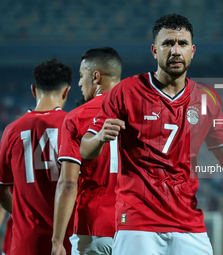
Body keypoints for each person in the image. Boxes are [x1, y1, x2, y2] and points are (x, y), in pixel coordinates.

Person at [80, 14, 223, 255]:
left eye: (182, 44)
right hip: (138, 224)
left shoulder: (207, 99)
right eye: (168, 43)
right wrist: (99, 138)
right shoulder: (126, 91)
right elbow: (85, 149)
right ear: (154, 50)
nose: (175, 51)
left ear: (192, 50)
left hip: (189, 224)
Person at [52, 47, 122, 255]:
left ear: (96, 76)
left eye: (82, 76)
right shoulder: (143, 112)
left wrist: (57, 241)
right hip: (138, 229)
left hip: (93, 229)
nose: (80, 83)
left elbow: (68, 183)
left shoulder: (77, 117)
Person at [0, 59, 72, 255]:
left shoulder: (11, 130)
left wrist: (24, 213)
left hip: (25, 241)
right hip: (68, 241)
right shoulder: (73, 125)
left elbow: (2, 190)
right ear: (67, 91)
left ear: (33, 90)